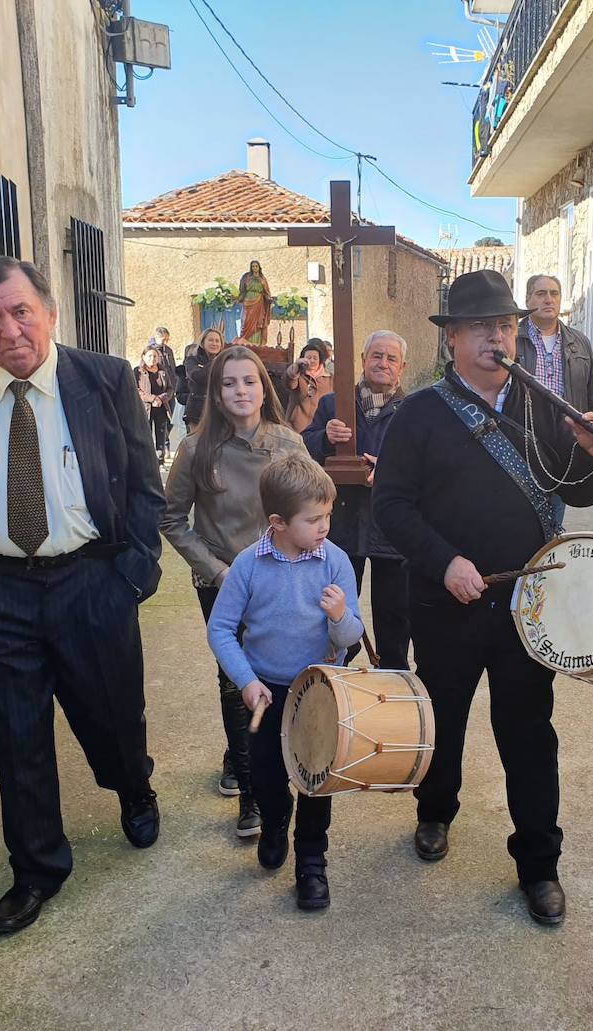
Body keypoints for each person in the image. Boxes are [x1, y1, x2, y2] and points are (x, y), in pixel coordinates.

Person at [0, 255, 165, 935]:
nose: (9, 328)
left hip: (92, 579)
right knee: (17, 734)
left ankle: (134, 789)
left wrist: (134, 575)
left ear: (50, 312)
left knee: (112, 713)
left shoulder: (105, 379)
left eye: (21, 310)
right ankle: (36, 869)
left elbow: (145, 488)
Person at [372, 269, 593, 926]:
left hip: (526, 605)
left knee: (529, 732)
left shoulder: (542, 406)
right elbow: (391, 507)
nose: (497, 337)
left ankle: (539, 863)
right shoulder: (418, 414)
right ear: (451, 339)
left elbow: (581, 491)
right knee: (443, 719)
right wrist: (444, 560)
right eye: (481, 327)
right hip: (444, 601)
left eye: (505, 325)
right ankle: (434, 812)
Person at [207, 454, 364, 910]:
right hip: (267, 693)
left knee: (318, 779)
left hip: (319, 691)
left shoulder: (335, 562)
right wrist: (245, 680)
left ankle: (312, 861)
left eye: (328, 515)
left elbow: (352, 635)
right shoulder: (248, 566)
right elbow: (220, 629)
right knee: (269, 776)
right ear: (277, 522)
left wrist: (339, 618)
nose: (325, 526)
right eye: (313, 519)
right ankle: (275, 823)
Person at [161, 345, 306, 836]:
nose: (240, 391)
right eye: (229, 383)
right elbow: (171, 518)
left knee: (280, 674)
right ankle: (252, 794)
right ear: (216, 395)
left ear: (264, 388)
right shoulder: (196, 449)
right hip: (222, 583)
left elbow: (309, 510)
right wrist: (219, 572)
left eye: (249, 381)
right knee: (236, 683)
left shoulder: (287, 444)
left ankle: (269, 762)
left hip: (279, 581)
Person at [303, 330, 411, 669]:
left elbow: (428, 464)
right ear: (363, 360)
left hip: (391, 531)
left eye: (391, 358)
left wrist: (390, 472)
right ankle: (335, 686)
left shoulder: (412, 410)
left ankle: (393, 686)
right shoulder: (333, 405)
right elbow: (303, 449)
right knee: (336, 615)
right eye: (376, 355)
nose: (383, 363)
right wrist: (325, 438)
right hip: (341, 527)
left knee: (394, 623)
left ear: (402, 367)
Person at [516, 275, 593, 527]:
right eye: (541, 293)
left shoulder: (579, 342)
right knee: (519, 514)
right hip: (523, 438)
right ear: (528, 299)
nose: (548, 299)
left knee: (553, 519)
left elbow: (591, 396)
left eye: (554, 293)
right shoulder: (514, 338)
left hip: (564, 445)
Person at [178, 327, 224, 432]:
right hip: (197, 413)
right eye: (210, 340)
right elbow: (198, 377)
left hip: (219, 412)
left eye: (217, 341)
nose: (214, 343)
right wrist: (216, 361)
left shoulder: (225, 362)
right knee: (197, 446)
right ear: (202, 342)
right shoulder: (192, 360)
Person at [135, 344, 175, 464]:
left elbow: (170, 389)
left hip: (161, 409)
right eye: (149, 356)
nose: (152, 359)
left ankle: (160, 462)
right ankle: (146, 462)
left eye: (155, 356)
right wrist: (152, 399)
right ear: (143, 356)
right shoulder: (138, 372)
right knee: (145, 436)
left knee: (161, 436)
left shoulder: (162, 371)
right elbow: (136, 389)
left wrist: (161, 399)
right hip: (145, 409)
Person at [282, 339, 332, 432]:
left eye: (315, 358)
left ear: (320, 360)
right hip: (296, 429)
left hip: (319, 430)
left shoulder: (330, 379)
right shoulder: (297, 376)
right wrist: (296, 367)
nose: (312, 360)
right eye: (309, 357)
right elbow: (289, 383)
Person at [238, 261, 274, 345]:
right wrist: (240, 298)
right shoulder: (247, 277)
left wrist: (268, 298)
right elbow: (242, 288)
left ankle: (256, 343)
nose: (254, 268)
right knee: (247, 321)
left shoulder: (262, 278)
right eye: (253, 266)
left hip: (259, 302)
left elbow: (266, 291)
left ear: (259, 267)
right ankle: (245, 341)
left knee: (258, 322)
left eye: (256, 266)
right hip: (248, 300)